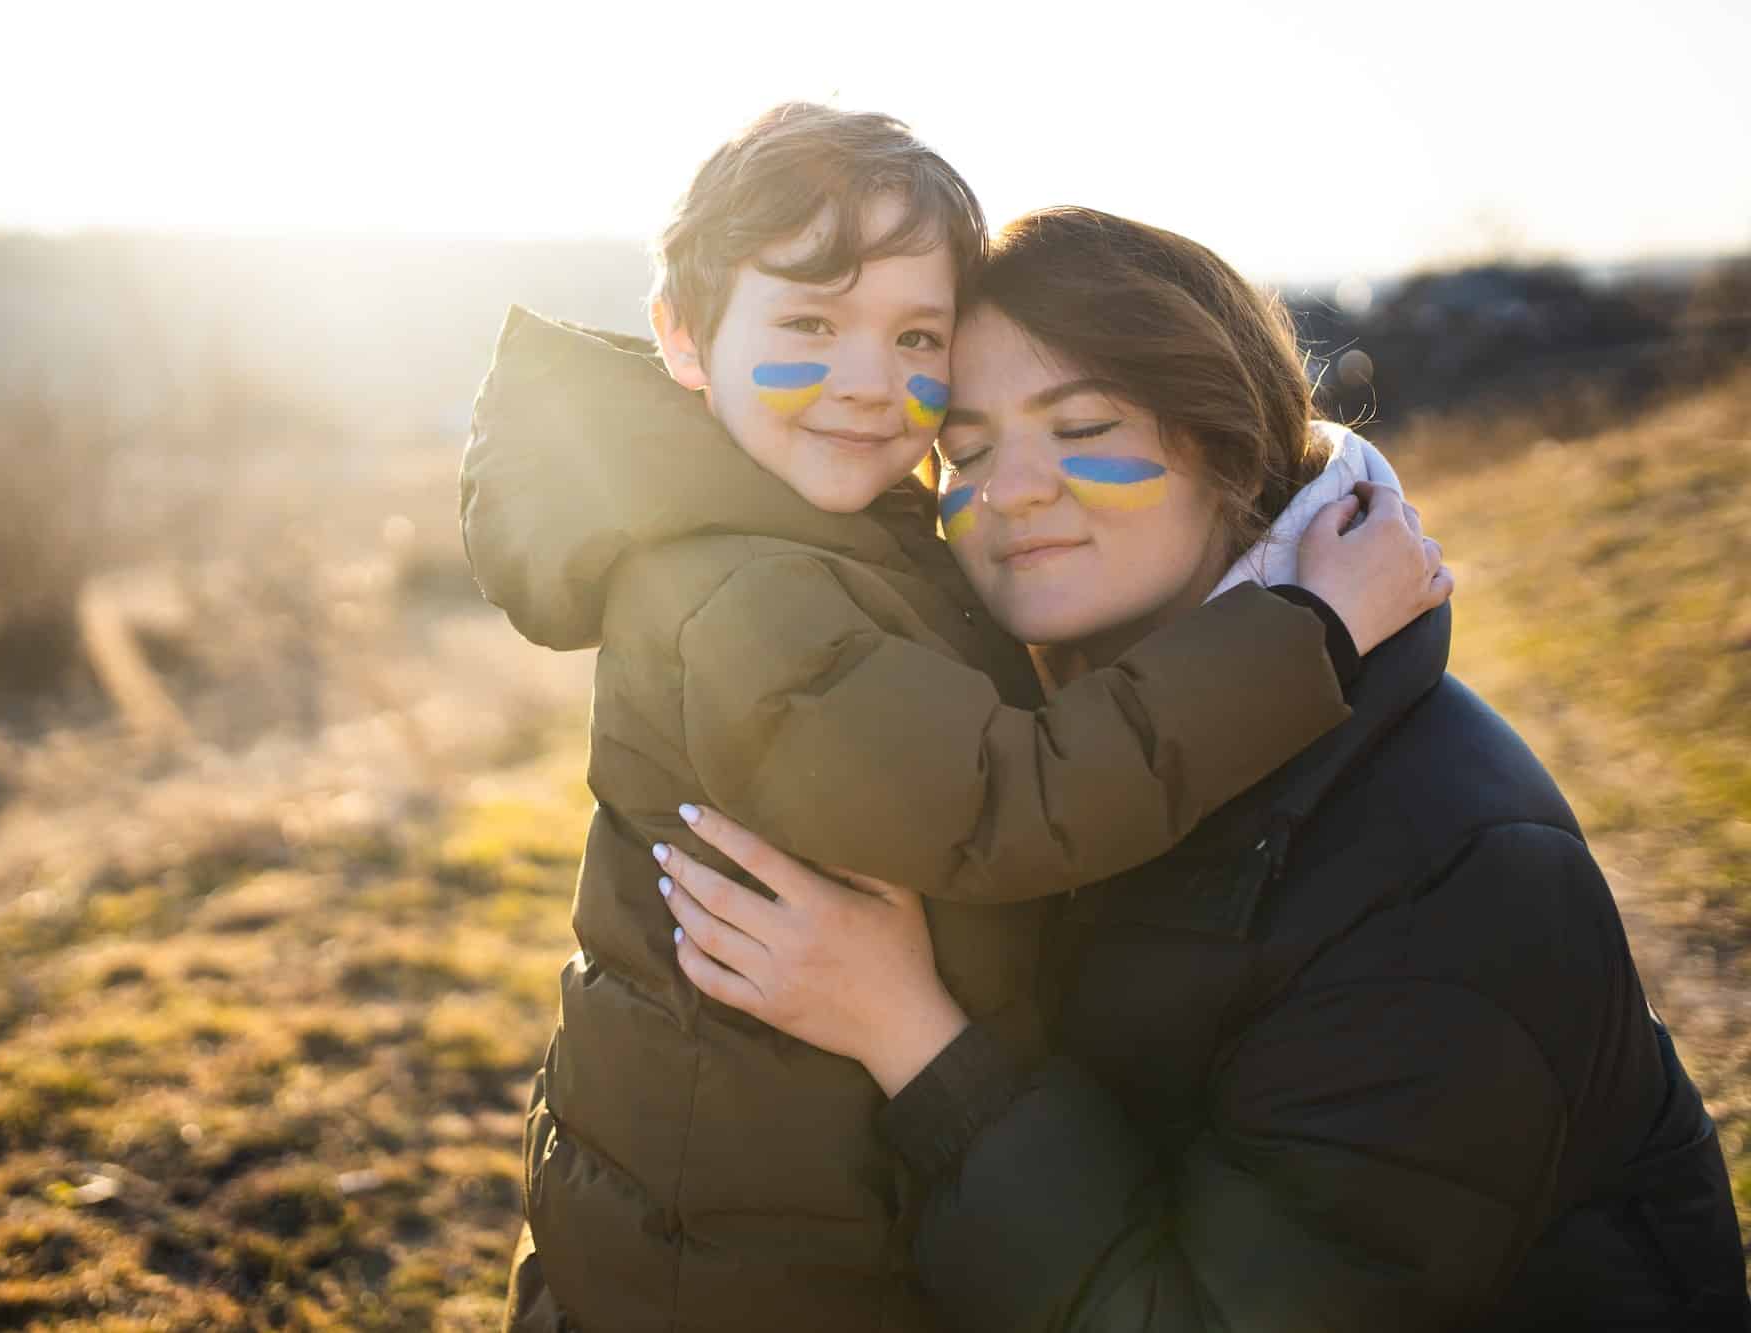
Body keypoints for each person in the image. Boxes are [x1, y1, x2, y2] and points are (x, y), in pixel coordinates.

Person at [659, 206, 1751, 1330]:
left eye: (1079, 423)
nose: (1009, 488)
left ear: (1226, 447)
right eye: (967, 448)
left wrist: (913, 1038)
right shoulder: (1025, 756)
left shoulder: (1442, 873)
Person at [459, 107, 1446, 1331]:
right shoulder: (732, 585)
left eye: (914, 335)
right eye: (810, 324)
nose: (870, 382)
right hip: (740, 1258)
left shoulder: (821, 534)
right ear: (682, 338)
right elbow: (1006, 800)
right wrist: (1308, 631)